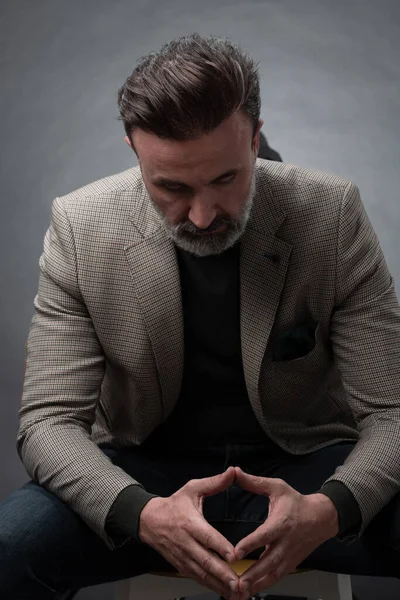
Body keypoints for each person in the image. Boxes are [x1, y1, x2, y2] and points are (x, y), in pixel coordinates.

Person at [1, 32, 400, 600]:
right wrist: (140, 514)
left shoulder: (331, 214)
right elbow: (47, 423)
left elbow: (392, 411)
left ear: (255, 140)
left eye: (226, 179)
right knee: (9, 550)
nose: (204, 212)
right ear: (134, 151)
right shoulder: (80, 227)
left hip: (305, 466)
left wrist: (329, 509)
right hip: (144, 471)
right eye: (172, 187)